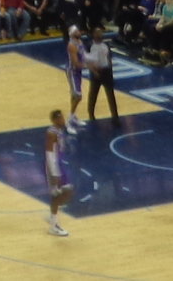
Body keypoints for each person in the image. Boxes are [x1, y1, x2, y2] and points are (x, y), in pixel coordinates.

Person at [43, 109, 75, 237]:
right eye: (61, 118)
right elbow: (49, 153)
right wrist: (54, 173)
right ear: (55, 120)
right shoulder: (51, 133)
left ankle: (52, 215)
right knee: (58, 194)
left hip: (59, 164)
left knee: (67, 191)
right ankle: (54, 226)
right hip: (54, 166)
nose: (63, 120)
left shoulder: (59, 130)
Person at [82, 32, 119, 124]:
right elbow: (87, 61)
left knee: (111, 95)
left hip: (106, 72)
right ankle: (91, 115)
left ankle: (115, 117)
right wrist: (94, 71)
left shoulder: (106, 45)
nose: (100, 35)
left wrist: (111, 71)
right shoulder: (90, 46)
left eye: (100, 34)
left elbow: (109, 59)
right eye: (98, 34)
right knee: (93, 95)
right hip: (96, 72)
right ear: (94, 36)